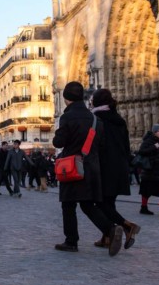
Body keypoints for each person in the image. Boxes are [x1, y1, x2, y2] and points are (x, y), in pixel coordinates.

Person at [52, 81, 124, 256]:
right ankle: (111, 229)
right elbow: (101, 144)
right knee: (87, 204)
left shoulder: (67, 117)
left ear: (66, 98)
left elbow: (58, 142)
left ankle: (71, 241)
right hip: (91, 167)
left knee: (68, 205)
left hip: (73, 166)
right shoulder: (94, 118)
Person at [91, 88, 141, 249]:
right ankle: (107, 237)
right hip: (119, 166)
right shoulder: (119, 119)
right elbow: (126, 146)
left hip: (104, 166)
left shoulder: (96, 119)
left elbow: (96, 145)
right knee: (109, 202)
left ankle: (127, 226)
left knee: (99, 203)